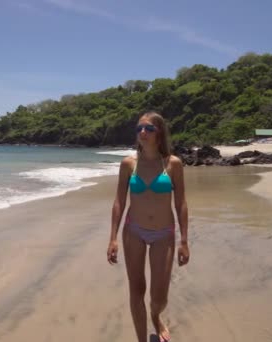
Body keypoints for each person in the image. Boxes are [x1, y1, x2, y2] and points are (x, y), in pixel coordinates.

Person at [107, 111, 190, 342]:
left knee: (159, 296)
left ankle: (155, 316)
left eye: (149, 129)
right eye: (139, 129)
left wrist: (184, 240)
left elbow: (181, 203)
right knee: (137, 290)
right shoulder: (128, 164)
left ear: (159, 132)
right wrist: (113, 237)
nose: (142, 132)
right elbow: (119, 202)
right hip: (133, 230)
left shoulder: (172, 164)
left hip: (164, 234)